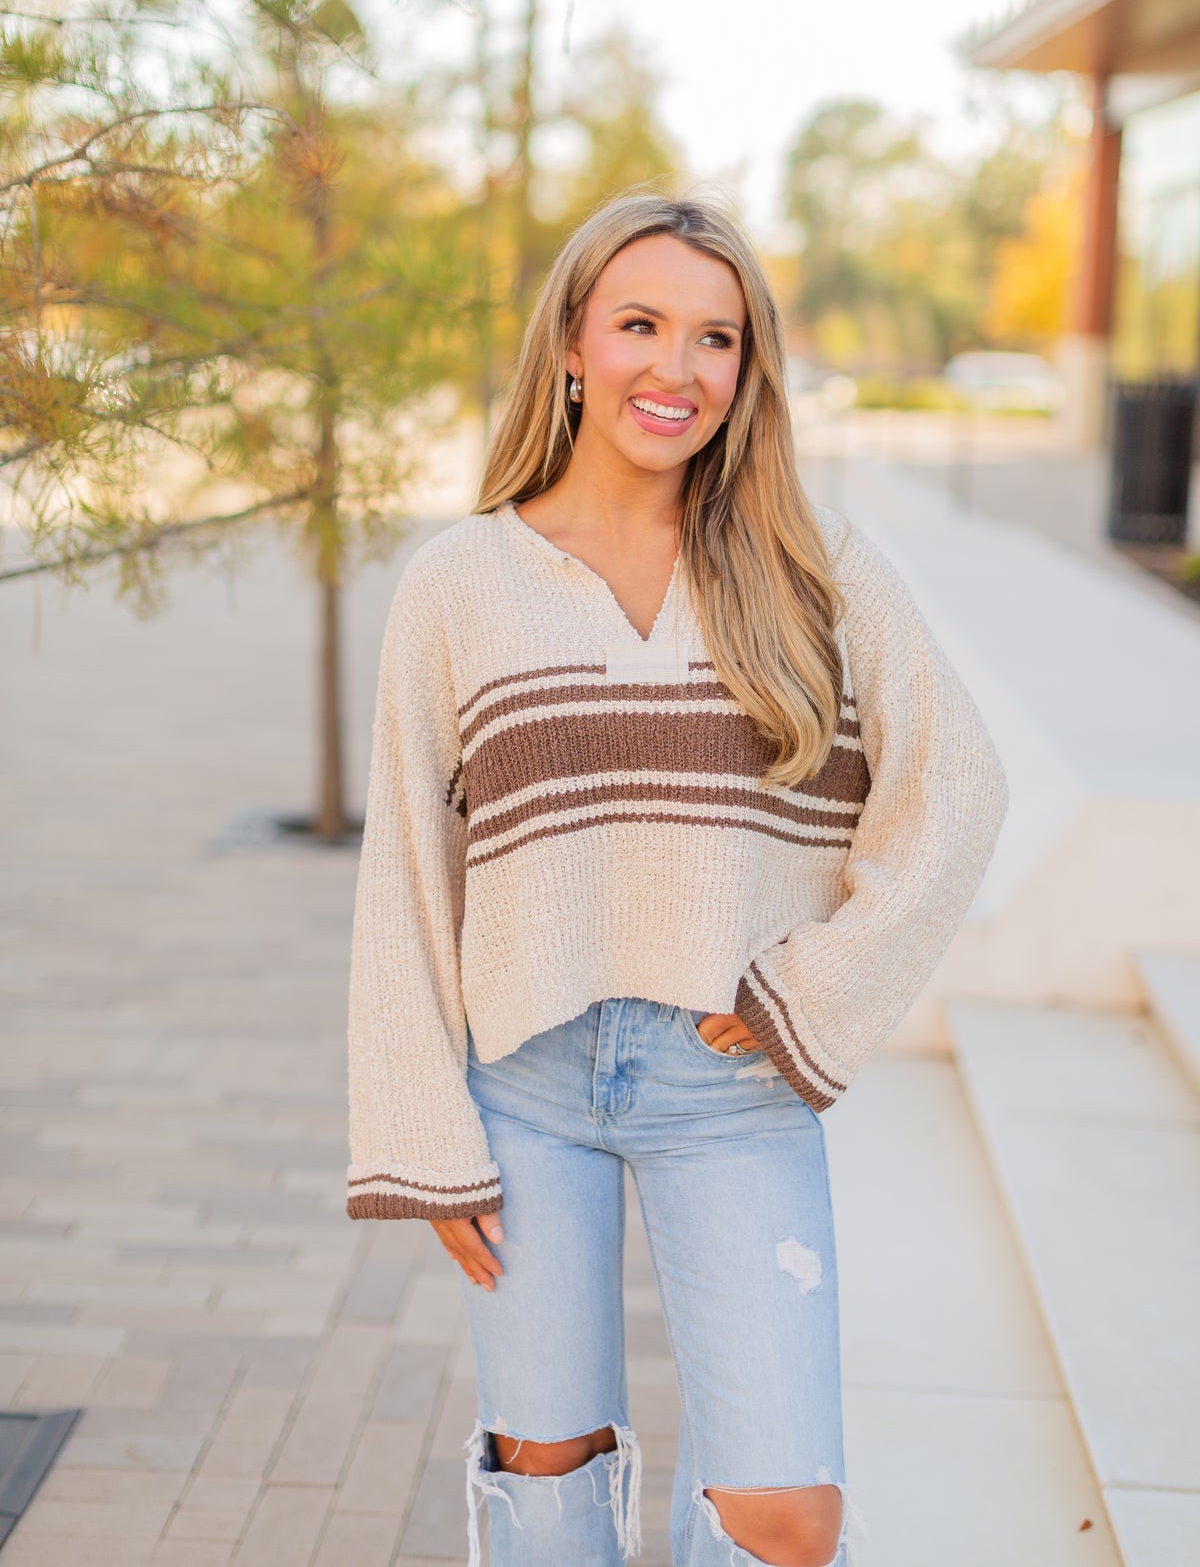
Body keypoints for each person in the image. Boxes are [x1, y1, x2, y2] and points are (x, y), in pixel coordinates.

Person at [346, 192, 1009, 1567]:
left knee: (787, 1517)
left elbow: (958, 789)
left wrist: (815, 989)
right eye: (640, 324)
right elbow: (406, 867)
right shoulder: (460, 581)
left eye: (717, 337)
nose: (678, 367)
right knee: (547, 1481)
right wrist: (423, 1128)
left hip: (734, 1089)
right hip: (525, 1089)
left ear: (748, 368)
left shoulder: (813, 565)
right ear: (571, 344)